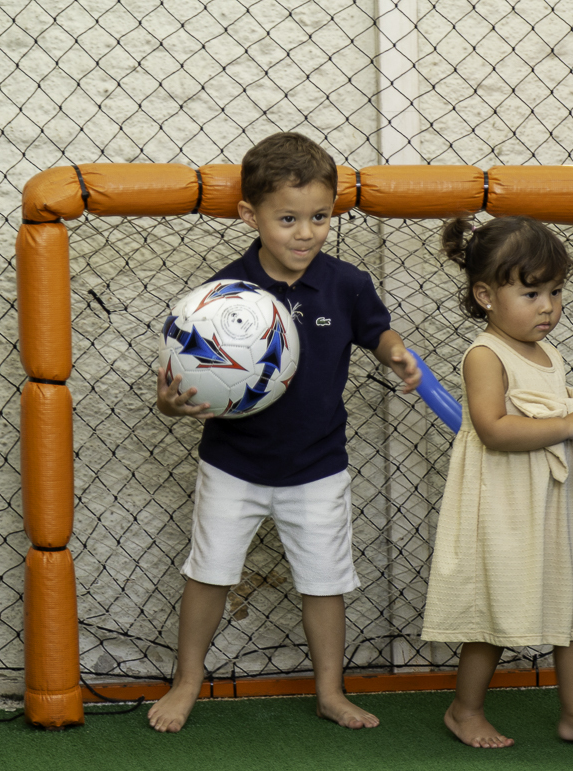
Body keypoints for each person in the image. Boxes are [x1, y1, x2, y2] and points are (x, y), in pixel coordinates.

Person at [150, 131, 421, 733]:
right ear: (250, 215)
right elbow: (178, 386)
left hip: (318, 465)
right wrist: (171, 406)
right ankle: (187, 681)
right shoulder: (221, 298)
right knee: (210, 572)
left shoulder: (347, 283)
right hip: (233, 464)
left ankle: (330, 691)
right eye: (288, 219)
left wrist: (396, 353)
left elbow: (376, 330)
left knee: (325, 582)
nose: (306, 233)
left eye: (320, 217)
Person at [421, 215, 573, 748]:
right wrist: (567, 425)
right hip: (503, 507)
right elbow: (494, 430)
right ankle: (464, 710)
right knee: (496, 607)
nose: (548, 307)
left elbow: (551, 430)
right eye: (532, 293)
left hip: (547, 503)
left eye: (556, 291)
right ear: (486, 296)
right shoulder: (485, 355)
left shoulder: (548, 354)